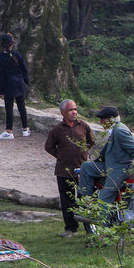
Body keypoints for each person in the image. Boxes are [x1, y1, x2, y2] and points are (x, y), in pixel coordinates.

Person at [45, 100, 95, 237]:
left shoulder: (83, 126)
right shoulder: (57, 130)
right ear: (63, 113)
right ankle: (71, 228)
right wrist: (61, 156)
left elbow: (91, 141)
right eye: (70, 110)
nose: (74, 112)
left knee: (85, 199)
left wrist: (83, 153)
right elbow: (48, 147)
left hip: (83, 170)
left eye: (75, 109)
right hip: (64, 170)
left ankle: (89, 227)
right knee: (67, 200)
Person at [78, 106, 134, 208]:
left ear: (110, 119)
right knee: (86, 167)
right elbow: (106, 150)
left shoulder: (119, 131)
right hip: (110, 166)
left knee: (104, 200)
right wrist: (96, 161)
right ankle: (86, 201)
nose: (101, 121)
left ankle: (104, 222)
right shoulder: (114, 130)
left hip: (119, 170)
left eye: (103, 119)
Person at [0, 33, 30, 140]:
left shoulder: (1, 58)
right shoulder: (17, 54)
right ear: (12, 43)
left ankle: (9, 131)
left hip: (8, 86)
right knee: (21, 107)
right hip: (19, 84)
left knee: (9, 108)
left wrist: (1, 90)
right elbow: (24, 69)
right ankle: (25, 129)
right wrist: (26, 81)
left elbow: (0, 75)